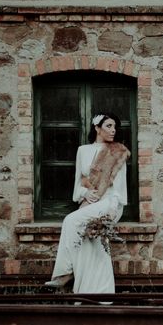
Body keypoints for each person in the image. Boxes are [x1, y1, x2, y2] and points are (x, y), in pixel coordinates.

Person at [45, 113, 129, 293]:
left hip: (109, 202)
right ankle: (96, 292)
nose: (113, 130)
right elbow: (78, 185)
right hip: (88, 201)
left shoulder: (118, 151)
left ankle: (65, 273)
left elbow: (119, 188)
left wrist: (112, 209)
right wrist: (85, 192)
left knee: (70, 220)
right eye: (108, 126)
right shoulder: (83, 150)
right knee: (92, 244)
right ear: (97, 128)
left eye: (115, 127)